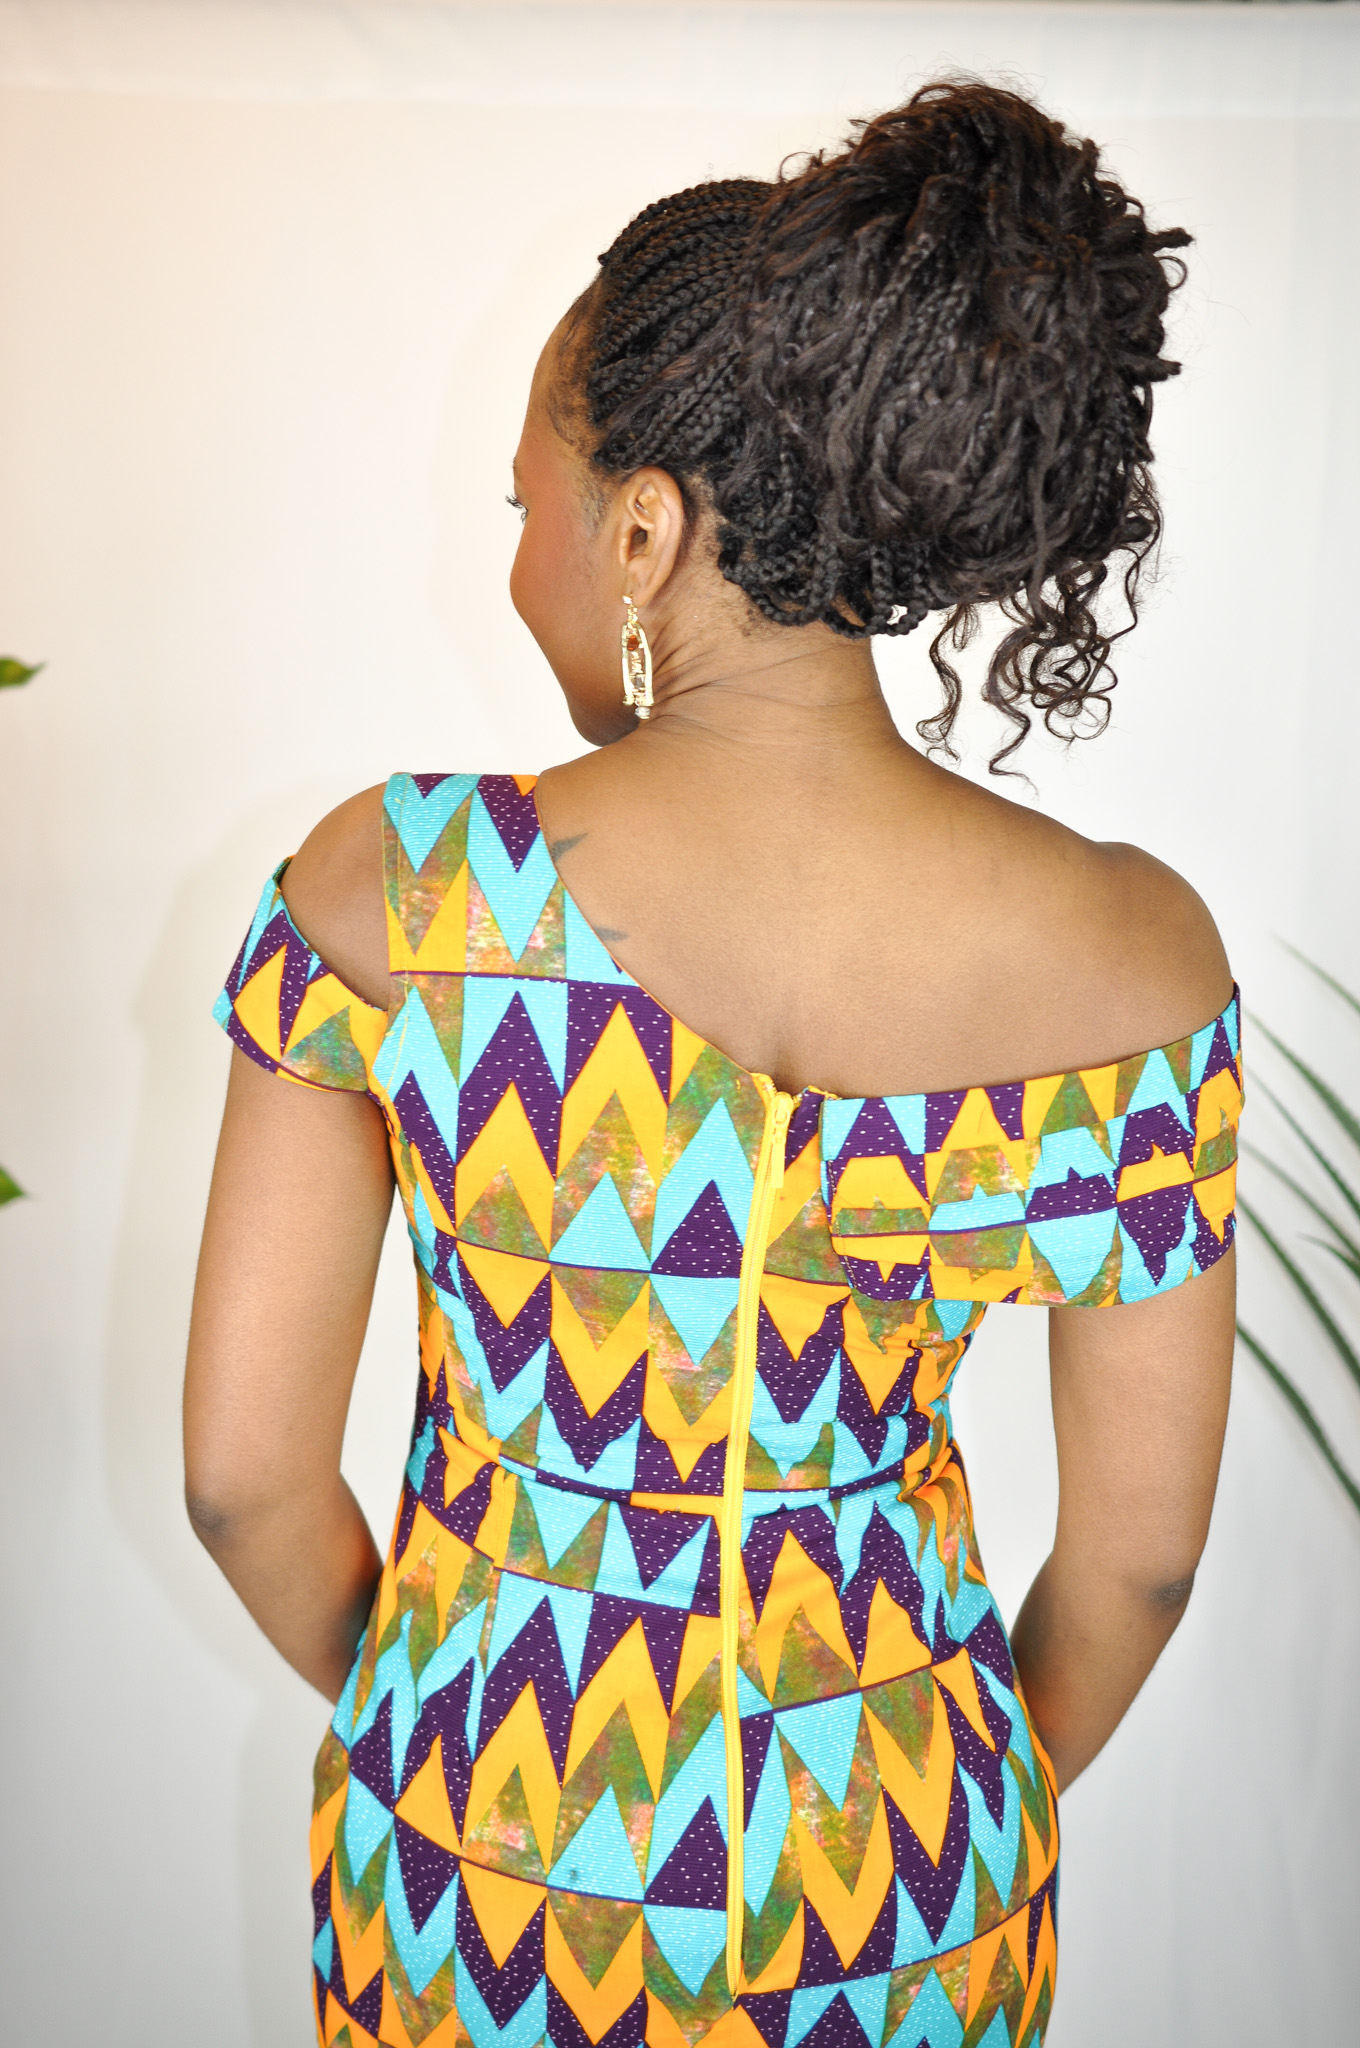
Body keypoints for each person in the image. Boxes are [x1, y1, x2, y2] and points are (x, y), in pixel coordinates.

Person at [185, 81, 1240, 2048]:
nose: (520, 562)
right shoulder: (1129, 953)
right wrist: (927, 1808)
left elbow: (245, 1483)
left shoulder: (397, 893)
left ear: (645, 527)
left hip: (480, 1873)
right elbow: (1144, 1563)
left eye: (527, 508)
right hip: (905, 1879)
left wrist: (459, 1722)